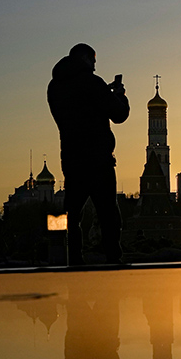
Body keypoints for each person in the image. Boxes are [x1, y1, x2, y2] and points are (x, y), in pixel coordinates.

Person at [48, 43, 129, 264]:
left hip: (72, 161)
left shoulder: (54, 87)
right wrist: (119, 95)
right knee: (108, 215)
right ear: (84, 58)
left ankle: (69, 258)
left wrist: (102, 94)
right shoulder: (92, 83)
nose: (95, 65)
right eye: (93, 59)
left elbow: (78, 110)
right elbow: (119, 114)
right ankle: (113, 258)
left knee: (69, 214)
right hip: (98, 160)